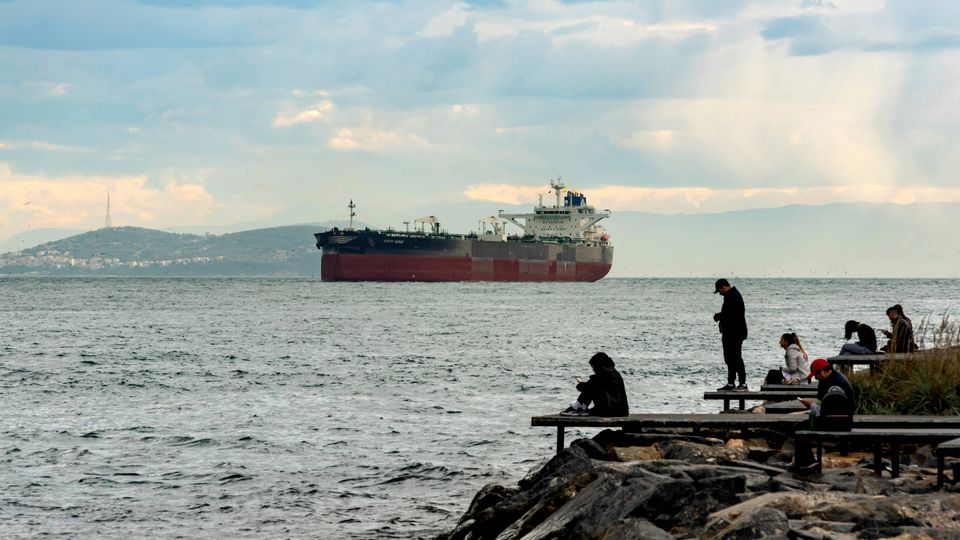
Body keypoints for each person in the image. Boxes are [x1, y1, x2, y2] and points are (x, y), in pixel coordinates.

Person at [792, 358, 856, 473]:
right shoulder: (835, 378)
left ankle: (807, 463)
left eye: (816, 376)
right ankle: (805, 461)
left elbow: (826, 412)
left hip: (835, 422)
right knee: (801, 427)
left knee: (798, 429)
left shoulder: (835, 386)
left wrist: (811, 405)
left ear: (822, 371)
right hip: (843, 421)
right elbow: (827, 405)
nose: (816, 378)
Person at [559, 352, 629, 416]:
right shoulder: (615, 375)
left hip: (608, 410)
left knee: (591, 385)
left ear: (598, 366)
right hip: (621, 411)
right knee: (591, 385)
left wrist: (583, 386)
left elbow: (594, 387)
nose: (593, 370)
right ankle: (580, 407)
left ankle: (578, 406)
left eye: (593, 367)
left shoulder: (601, 377)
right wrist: (587, 385)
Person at [713, 278, 748, 391]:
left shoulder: (733, 296)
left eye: (719, 290)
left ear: (724, 287)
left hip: (735, 333)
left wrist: (719, 316)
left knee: (736, 357)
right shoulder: (732, 295)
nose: (720, 293)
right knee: (730, 358)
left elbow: (731, 315)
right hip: (731, 332)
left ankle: (742, 383)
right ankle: (731, 383)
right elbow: (730, 313)